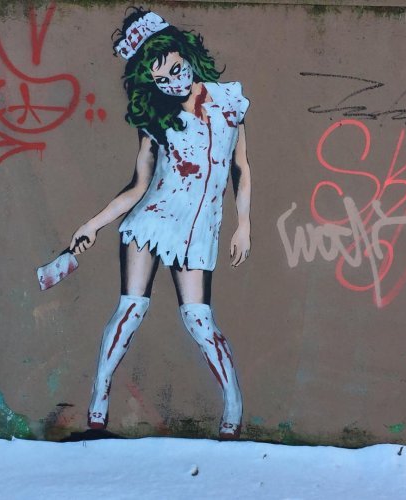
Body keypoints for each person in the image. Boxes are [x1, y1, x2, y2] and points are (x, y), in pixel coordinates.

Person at [70, 8, 251, 439]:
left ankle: (233, 408)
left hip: (197, 230)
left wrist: (243, 224)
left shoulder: (229, 102)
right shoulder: (156, 119)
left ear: (185, 53)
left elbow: (241, 168)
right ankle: (98, 405)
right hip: (152, 222)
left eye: (175, 68)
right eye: (161, 79)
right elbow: (139, 186)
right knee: (131, 309)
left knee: (199, 320)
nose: (173, 81)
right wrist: (93, 224)